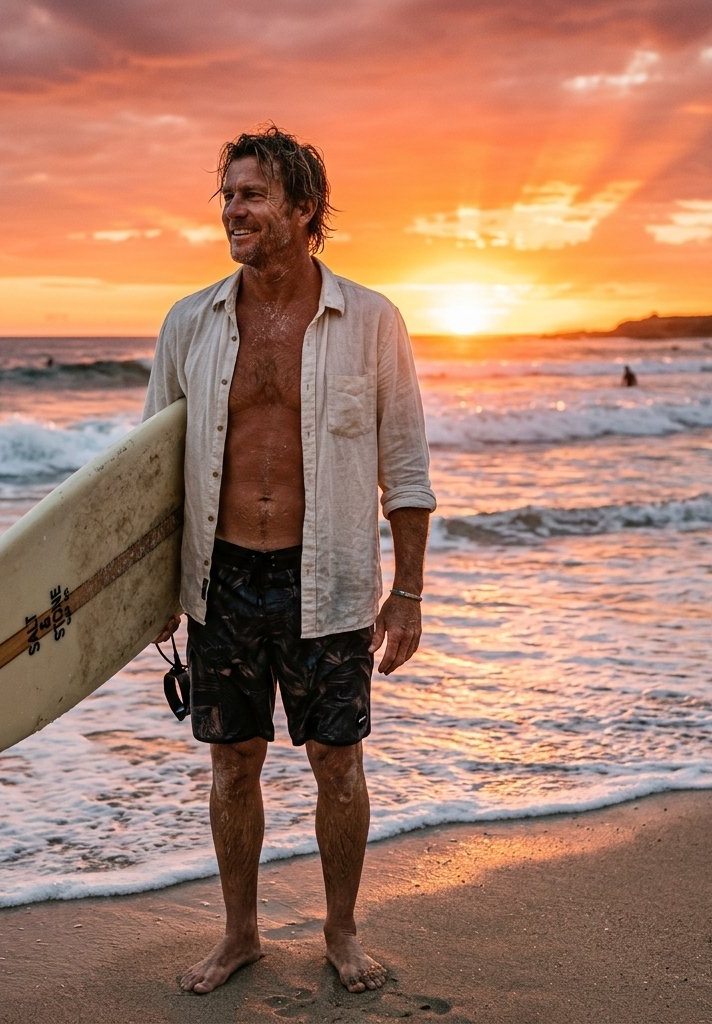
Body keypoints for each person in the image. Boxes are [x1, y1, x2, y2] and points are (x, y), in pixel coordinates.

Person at [143, 126, 436, 995]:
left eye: (252, 195)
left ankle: (342, 932)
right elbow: (150, 470)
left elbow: (407, 468)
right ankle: (240, 934)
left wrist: (409, 591)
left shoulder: (372, 321)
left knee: (337, 763)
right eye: (228, 195)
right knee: (232, 761)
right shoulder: (189, 322)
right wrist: (149, 591)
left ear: (304, 210)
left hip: (332, 577)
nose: (233, 211)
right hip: (222, 575)